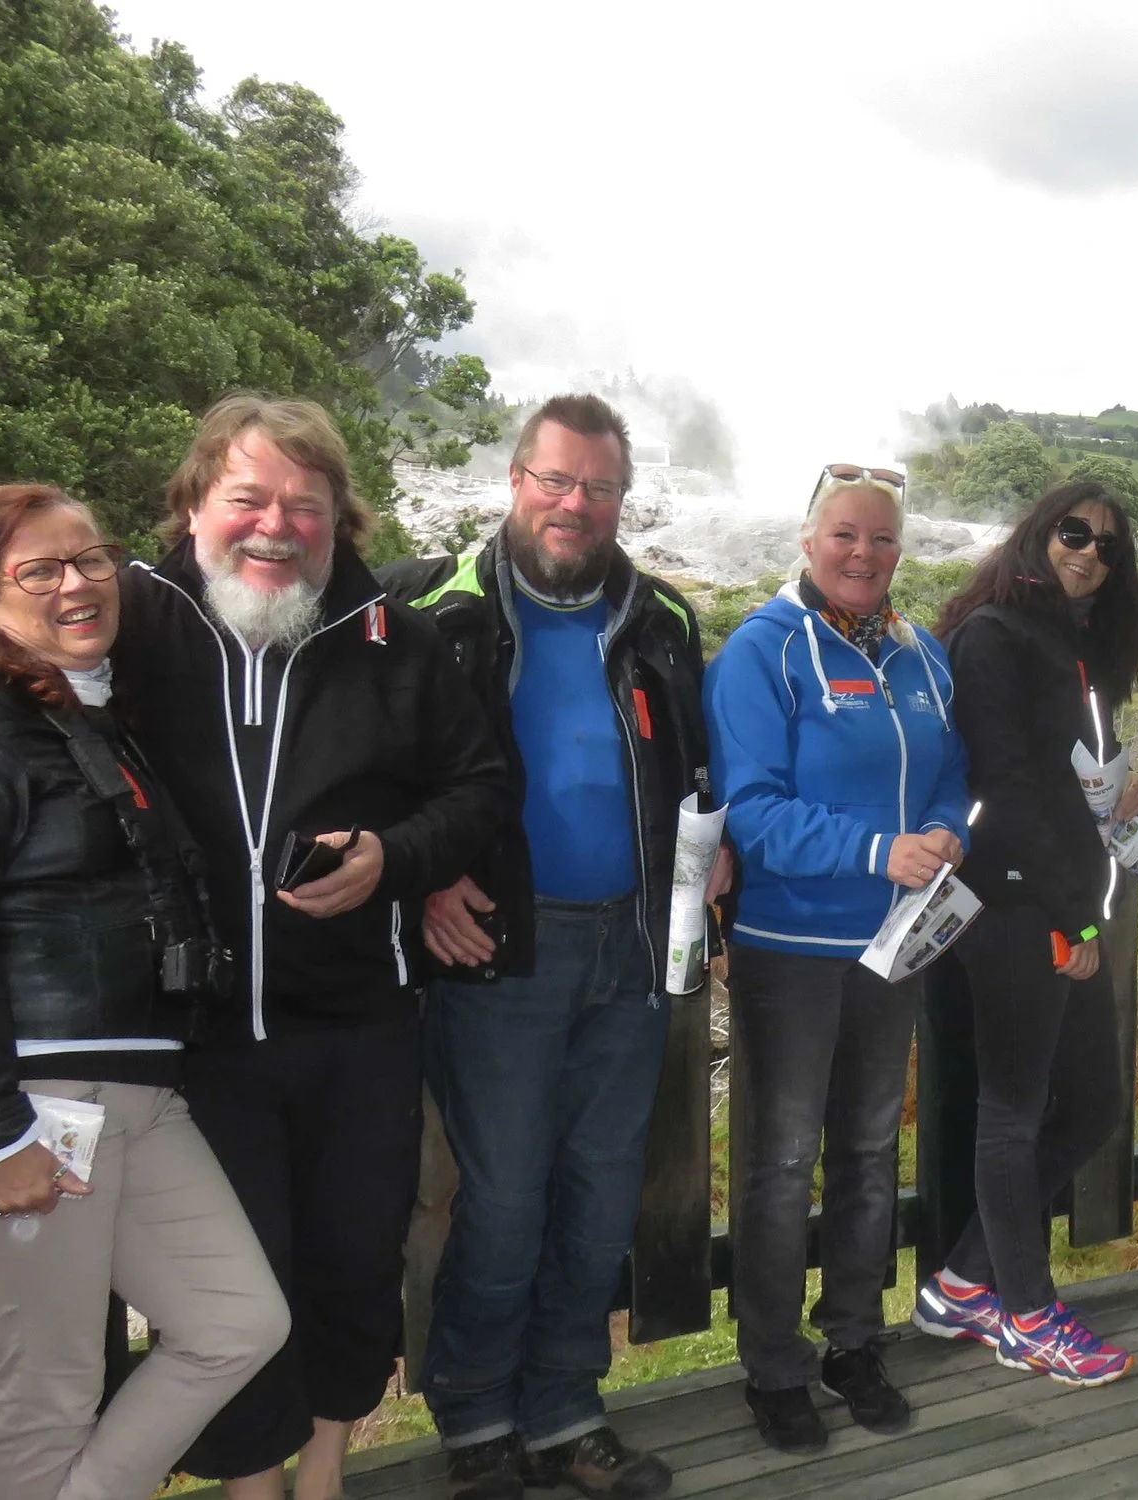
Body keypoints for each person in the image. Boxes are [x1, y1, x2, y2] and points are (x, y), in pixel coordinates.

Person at [118, 398, 511, 1500]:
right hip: (191, 1032)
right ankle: (250, 1481)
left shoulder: (395, 636)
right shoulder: (131, 622)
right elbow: (13, 651)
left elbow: (479, 791)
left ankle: (327, 1462)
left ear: (343, 518)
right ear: (195, 503)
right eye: (247, 498)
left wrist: (393, 857)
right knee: (234, 1286)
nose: (275, 528)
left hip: (358, 1022)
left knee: (351, 1258)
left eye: (306, 505)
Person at [377, 395, 714, 1500]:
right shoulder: (429, 608)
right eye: (557, 481)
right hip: (500, 949)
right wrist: (421, 874)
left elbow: (695, 773)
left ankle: (567, 1409)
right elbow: (370, 772)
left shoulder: (660, 617)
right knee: (509, 1194)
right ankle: (477, 1421)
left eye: (600, 487)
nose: (577, 505)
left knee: (600, 1190)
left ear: (624, 498)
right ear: (515, 480)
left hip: (629, 943)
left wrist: (709, 869)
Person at [0, 485, 289, 1500]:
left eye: (91, 558)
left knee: (238, 1322)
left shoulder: (98, 713)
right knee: (48, 1391)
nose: (76, 583)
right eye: (39, 569)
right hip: (38, 1104)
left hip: (140, 1094)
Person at [705, 464, 970, 1452]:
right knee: (779, 1165)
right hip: (791, 947)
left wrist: (946, 835)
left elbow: (952, 773)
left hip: (894, 944)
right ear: (809, 541)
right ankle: (773, 1367)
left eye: (882, 540)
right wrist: (873, 851)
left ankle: (853, 1341)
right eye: (846, 536)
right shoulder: (761, 654)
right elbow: (752, 807)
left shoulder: (920, 654)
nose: (864, 555)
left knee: (865, 1153)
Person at [911, 481, 1138, 1388]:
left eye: (1108, 547)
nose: (1089, 552)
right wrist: (1073, 914)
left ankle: (963, 1282)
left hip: (1058, 897)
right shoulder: (995, 636)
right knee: (1012, 1113)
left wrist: (1121, 790)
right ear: (1038, 535)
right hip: (1012, 904)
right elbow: (1008, 790)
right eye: (1074, 532)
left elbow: (1068, 780)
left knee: (1090, 1105)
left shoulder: (1074, 644)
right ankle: (1027, 1315)